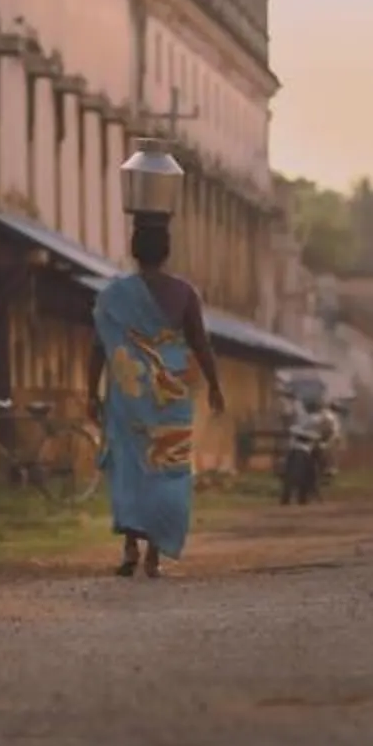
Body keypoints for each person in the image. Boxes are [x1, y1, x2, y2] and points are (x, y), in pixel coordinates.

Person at [90, 216, 226, 578]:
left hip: (128, 398)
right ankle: (153, 553)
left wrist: (92, 391)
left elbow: (99, 348)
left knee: (130, 469)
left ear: (134, 252)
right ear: (167, 253)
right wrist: (214, 384)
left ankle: (130, 547)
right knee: (166, 471)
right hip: (170, 397)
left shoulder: (113, 296)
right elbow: (200, 344)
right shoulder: (183, 294)